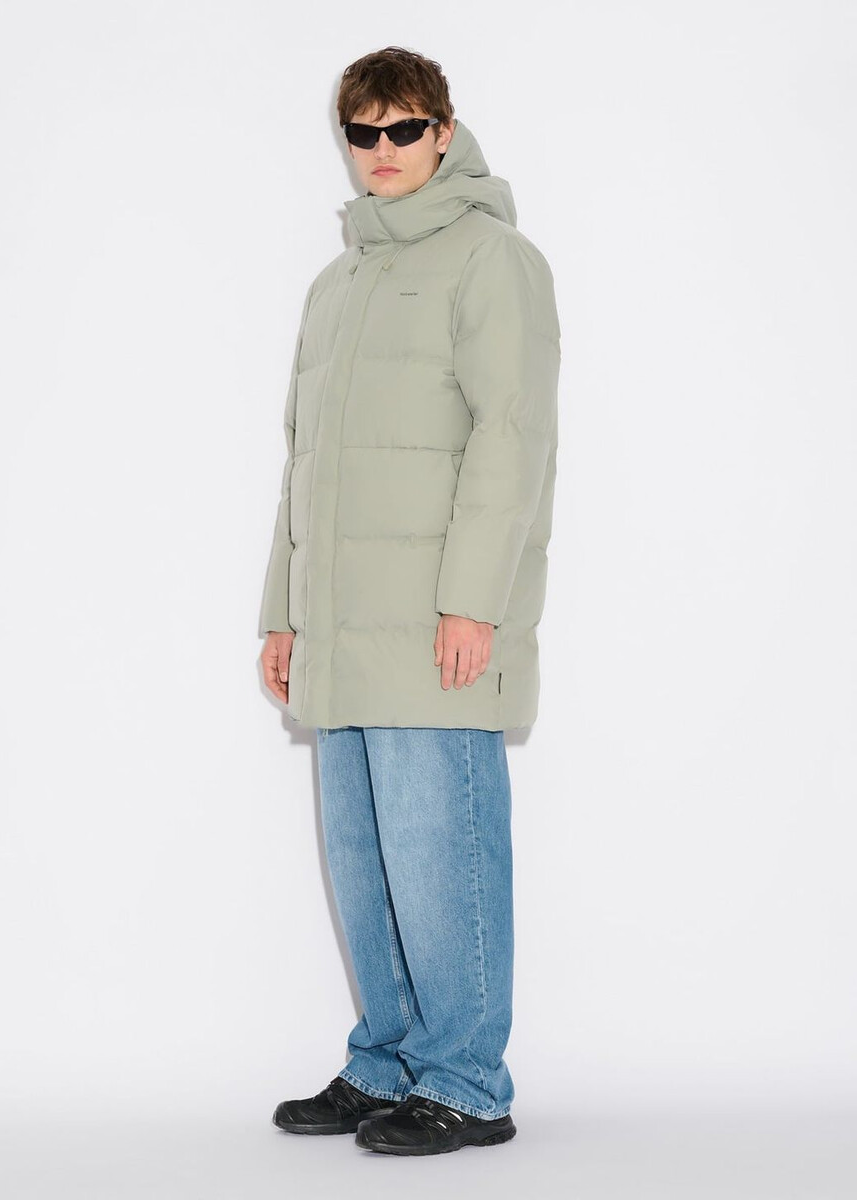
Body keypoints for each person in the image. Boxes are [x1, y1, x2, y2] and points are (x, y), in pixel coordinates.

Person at [258, 46, 561, 1156]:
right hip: (340, 626)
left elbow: (511, 440)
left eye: (403, 128)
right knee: (366, 860)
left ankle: (467, 1082)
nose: (381, 150)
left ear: (443, 130)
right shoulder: (337, 285)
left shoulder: (494, 261)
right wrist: (283, 612)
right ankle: (386, 1059)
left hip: (439, 623)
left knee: (443, 856)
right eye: (363, 132)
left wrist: (474, 601)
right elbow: (304, 465)